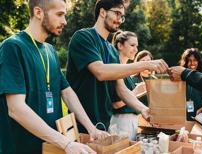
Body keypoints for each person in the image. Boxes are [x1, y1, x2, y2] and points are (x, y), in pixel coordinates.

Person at [0, 0, 108, 153]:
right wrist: (66, 143)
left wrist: (92, 129)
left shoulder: (51, 50)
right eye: (59, 14)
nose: (64, 21)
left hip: (51, 148)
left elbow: (67, 92)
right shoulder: (12, 47)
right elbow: (16, 109)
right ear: (38, 12)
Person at [66, 0, 168, 132]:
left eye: (122, 16)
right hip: (81, 125)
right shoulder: (84, 37)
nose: (120, 20)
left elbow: (121, 89)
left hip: (104, 125)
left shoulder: (112, 50)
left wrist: (144, 109)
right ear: (103, 12)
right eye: (117, 14)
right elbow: (100, 72)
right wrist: (145, 64)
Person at [109, 30, 142, 140]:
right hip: (121, 123)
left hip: (131, 121)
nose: (136, 50)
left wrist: (142, 90)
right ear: (120, 45)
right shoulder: (115, 69)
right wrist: (137, 90)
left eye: (137, 46)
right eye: (132, 45)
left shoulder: (125, 70)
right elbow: (116, 104)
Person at [178, 48, 202, 121]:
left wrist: (201, 110)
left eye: (195, 60)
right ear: (185, 62)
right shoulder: (180, 77)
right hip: (182, 117)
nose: (192, 63)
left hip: (200, 117)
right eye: (189, 60)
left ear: (198, 61)